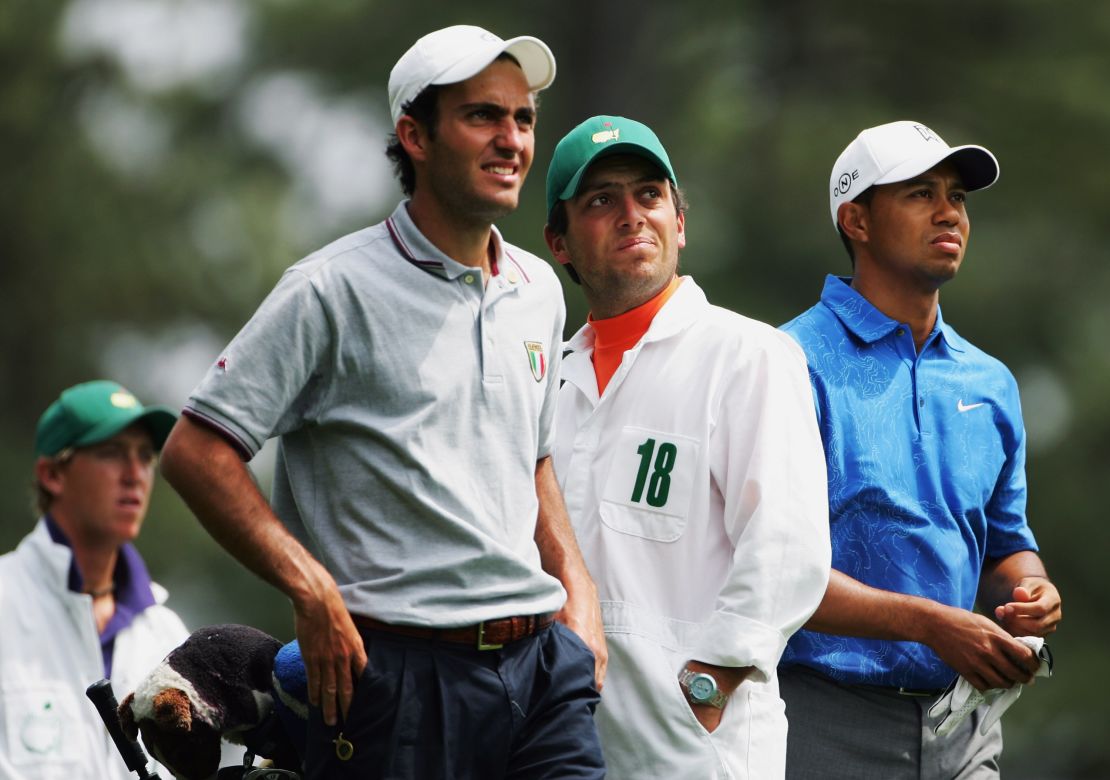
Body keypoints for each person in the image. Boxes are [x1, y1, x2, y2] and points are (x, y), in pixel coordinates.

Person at [159, 25, 606, 780]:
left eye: (522, 119)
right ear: (415, 136)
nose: (512, 140)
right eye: (482, 117)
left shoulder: (538, 291)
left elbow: (532, 460)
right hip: (394, 678)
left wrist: (579, 590)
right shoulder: (329, 290)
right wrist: (311, 587)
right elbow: (197, 453)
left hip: (540, 673)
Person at [543, 114, 831, 779]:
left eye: (649, 195)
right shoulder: (545, 382)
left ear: (680, 221)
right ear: (559, 242)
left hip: (702, 752)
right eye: (600, 200)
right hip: (563, 747)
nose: (631, 215)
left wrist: (712, 681)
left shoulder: (746, 354)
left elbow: (787, 546)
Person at [778, 120, 1063, 779]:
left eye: (958, 196)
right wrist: (931, 623)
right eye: (919, 193)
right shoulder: (788, 360)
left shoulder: (988, 381)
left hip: (964, 726)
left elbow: (1004, 540)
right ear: (857, 219)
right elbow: (776, 569)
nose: (949, 212)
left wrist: (1032, 588)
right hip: (822, 719)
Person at [0, 380, 188, 779]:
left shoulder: (168, 635)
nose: (136, 474)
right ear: (52, 474)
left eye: (145, 456)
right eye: (112, 453)